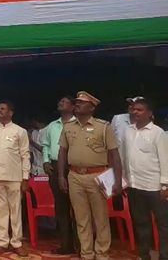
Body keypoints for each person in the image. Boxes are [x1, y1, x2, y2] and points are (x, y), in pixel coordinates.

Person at [58, 91, 123, 260]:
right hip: (74, 176)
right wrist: (60, 176)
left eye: (81, 102)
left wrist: (117, 180)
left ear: (92, 107)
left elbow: (114, 155)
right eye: (76, 102)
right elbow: (62, 153)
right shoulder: (68, 127)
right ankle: (86, 253)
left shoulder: (103, 127)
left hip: (97, 176)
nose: (77, 104)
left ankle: (102, 253)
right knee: (81, 218)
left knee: (100, 218)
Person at [122, 98, 168, 260]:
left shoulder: (158, 132)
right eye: (134, 109)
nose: (135, 112)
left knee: (163, 224)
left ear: (149, 114)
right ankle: (144, 255)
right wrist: (124, 181)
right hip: (135, 185)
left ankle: (164, 255)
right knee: (141, 223)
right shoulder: (127, 130)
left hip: (155, 187)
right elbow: (124, 157)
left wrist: (164, 185)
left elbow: (165, 159)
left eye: (140, 110)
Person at [0, 101, 30, 256]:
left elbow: (25, 155)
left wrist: (25, 178)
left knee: (15, 210)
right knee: (0, 210)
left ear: (11, 113)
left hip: (15, 177)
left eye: (3, 109)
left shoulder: (20, 131)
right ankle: (2, 242)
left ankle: (16, 242)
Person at [41, 96, 77, 254]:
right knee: (61, 208)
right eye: (59, 102)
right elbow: (46, 145)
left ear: (73, 107)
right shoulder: (52, 126)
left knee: (79, 208)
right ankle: (66, 245)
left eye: (64, 102)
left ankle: (83, 245)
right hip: (55, 168)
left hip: (75, 167)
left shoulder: (78, 124)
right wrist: (45, 161)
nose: (60, 103)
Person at [112, 97, 141, 161]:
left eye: (135, 105)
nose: (131, 107)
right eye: (130, 104)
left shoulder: (146, 123)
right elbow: (110, 140)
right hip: (119, 162)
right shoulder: (117, 118)